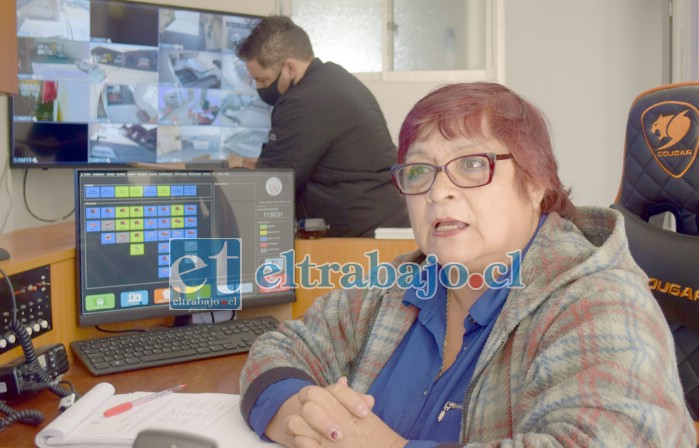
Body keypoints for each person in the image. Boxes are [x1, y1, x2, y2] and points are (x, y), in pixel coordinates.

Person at [239, 82, 697, 447]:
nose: (439, 192)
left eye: (473, 165)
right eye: (419, 171)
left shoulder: (599, 299)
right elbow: (279, 348)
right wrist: (299, 417)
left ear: (536, 181)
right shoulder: (402, 285)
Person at [235, 16, 409, 237]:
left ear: (289, 67)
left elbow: (273, 184)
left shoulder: (301, 103)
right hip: (382, 222)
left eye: (263, 80)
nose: (259, 88)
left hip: (358, 239)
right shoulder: (334, 78)